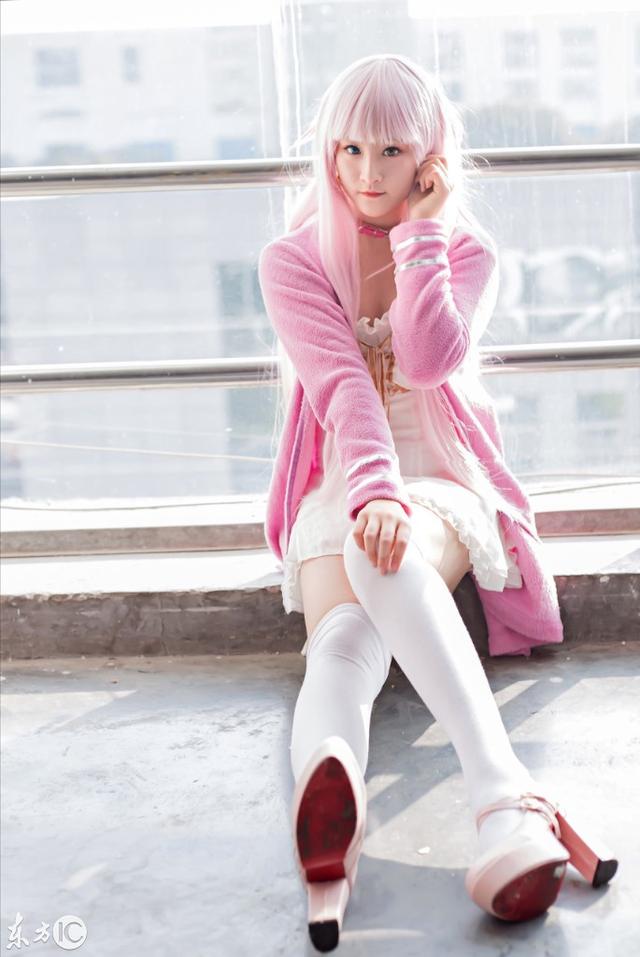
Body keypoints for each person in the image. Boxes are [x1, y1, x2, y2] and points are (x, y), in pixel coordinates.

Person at [258, 54, 618, 952]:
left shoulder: (465, 251)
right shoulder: (292, 259)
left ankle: (426, 784)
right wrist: (372, 492)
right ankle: (433, 794)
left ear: (429, 156)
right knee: (342, 633)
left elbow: (425, 363)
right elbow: (342, 389)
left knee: (372, 563)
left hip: (442, 472)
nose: (367, 173)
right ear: (328, 150)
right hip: (345, 474)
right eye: (350, 149)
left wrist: (419, 236)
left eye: (392, 151)